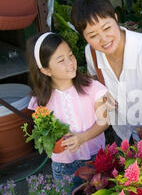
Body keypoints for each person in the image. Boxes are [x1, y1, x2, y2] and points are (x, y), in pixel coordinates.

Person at [71, 0, 142, 144]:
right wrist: (101, 94)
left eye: (107, 28)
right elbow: (93, 81)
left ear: (116, 18)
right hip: (122, 132)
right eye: (93, 35)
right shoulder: (91, 52)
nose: (103, 39)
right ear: (84, 37)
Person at [26, 32, 109, 186]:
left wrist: (82, 137)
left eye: (71, 55)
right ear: (46, 70)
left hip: (95, 159)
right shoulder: (41, 100)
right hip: (64, 166)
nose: (70, 62)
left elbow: (104, 121)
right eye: (61, 60)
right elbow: (44, 132)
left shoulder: (91, 88)